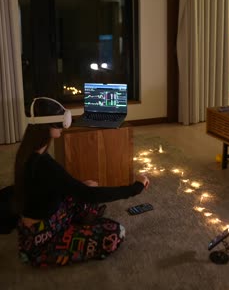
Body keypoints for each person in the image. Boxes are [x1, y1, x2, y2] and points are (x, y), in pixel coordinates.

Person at [14, 97, 150, 267]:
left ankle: (80, 217)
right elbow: (90, 195)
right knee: (115, 232)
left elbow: (51, 187)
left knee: (86, 189)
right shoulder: (44, 164)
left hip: (41, 220)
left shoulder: (30, 153)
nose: (64, 127)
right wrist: (134, 188)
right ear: (48, 125)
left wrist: (80, 187)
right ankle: (70, 232)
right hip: (41, 238)